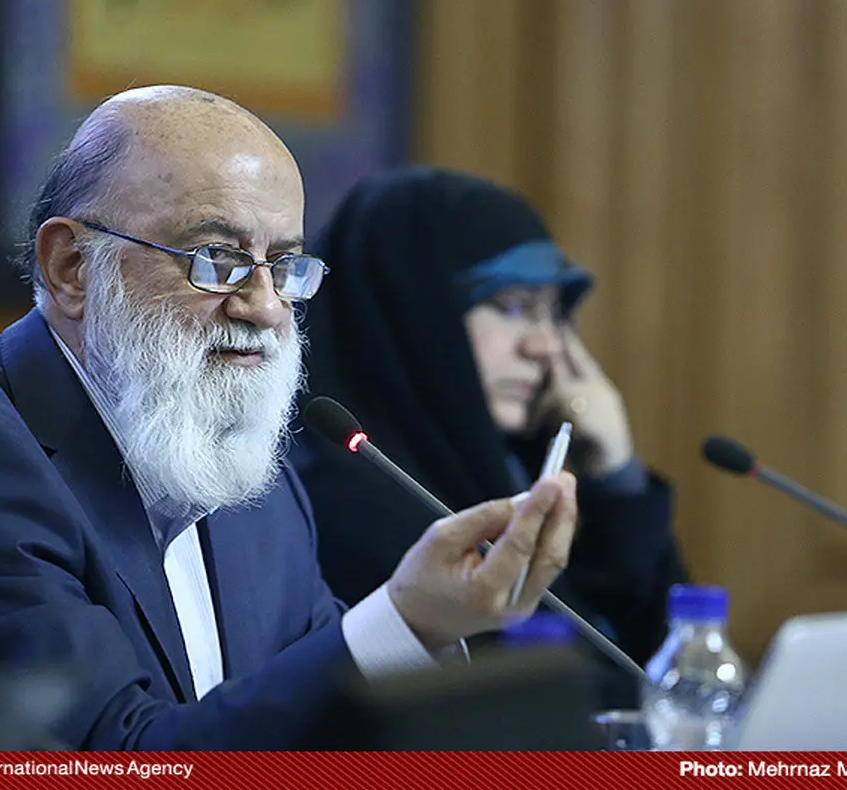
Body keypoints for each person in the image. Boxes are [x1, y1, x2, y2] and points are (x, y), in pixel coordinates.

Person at [0, 89, 579, 750]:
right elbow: (118, 761)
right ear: (71, 267)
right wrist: (404, 620)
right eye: (217, 259)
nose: (265, 306)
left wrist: (436, 636)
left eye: (285, 266)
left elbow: (306, 718)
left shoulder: (240, 468)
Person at [291, 167, 686, 698]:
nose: (546, 345)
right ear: (415, 315)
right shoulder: (345, 504)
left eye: (555, 312)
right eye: (514, 307)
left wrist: (617, 478)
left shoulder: (509, 461)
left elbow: (672, 666)